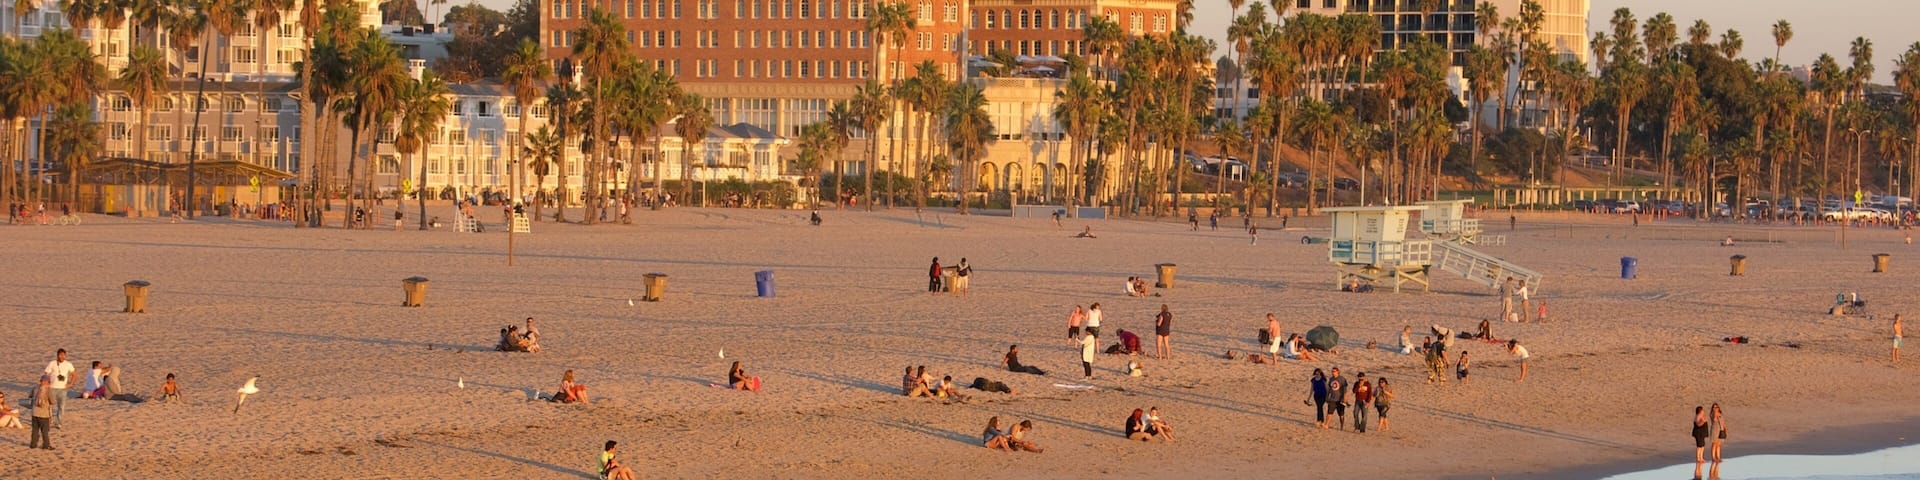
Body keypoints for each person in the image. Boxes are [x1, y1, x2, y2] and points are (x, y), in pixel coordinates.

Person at [43, 349, 73, 428]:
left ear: (65, 355)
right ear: (57, 355)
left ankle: (58, 422)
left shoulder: (68, 364)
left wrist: (70, 383)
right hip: (52, 388)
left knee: (61, 406)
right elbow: (46, 373)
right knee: (49, 405)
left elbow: (74, 374)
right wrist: (47, 382)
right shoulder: (52, 363)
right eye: (60, 355)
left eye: (63, 355)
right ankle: (49, 420)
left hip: (63, 388)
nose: (62, 357)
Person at [29, 376, 53, 449]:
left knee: (35, 430)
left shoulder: (35, 388)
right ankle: (46, 445)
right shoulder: (48, 390)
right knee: (44, 431)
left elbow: (30, 396)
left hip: (34, 412)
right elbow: (52, 401)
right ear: (48, 382)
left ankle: (33, 445)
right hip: (44, 414)